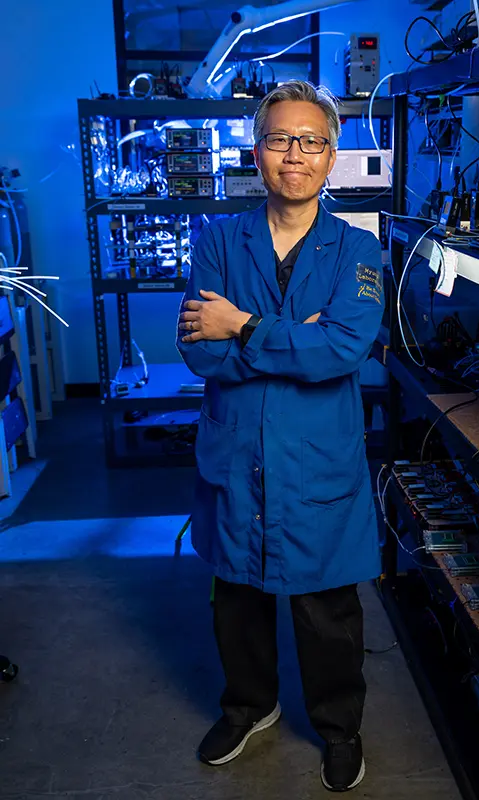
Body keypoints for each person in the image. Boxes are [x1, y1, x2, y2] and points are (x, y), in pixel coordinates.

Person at [176, 80, 384, 793]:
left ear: (331, 156)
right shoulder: (217, 240)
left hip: (316, 460)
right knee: (235, 598)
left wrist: (243, 325)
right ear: (256, 150)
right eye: (278, 139)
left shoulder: (358, 252)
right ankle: (248, 706)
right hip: (237, 453)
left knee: (327, 611)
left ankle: (338, 728)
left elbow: (344, 352)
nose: (294, 154)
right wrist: (298, 340)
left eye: (311, 141)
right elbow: (198, 352)